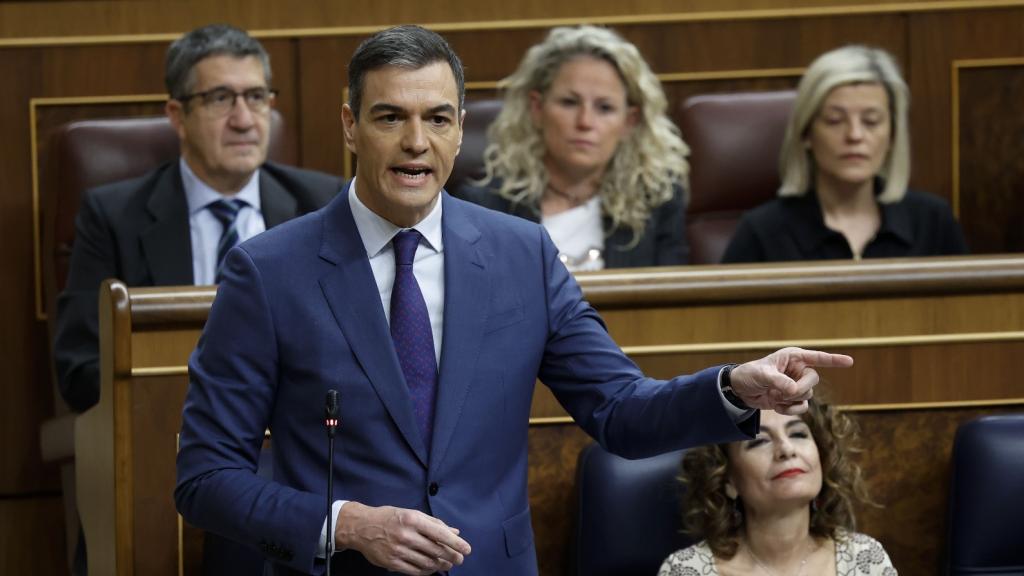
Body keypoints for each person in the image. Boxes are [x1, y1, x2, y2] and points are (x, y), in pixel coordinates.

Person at [174, 25, 853, 576]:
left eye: (437, 118)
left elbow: (618, 409)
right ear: (351, 125)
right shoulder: (267, 271)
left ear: (461, 127)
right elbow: (205, 477)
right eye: (391, 117)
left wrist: (733, 388)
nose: (416, 142)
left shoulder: (519, 254)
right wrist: (347, 524)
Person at [53, 24, 341, 413]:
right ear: (177, 115)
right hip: (168, 430)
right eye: (221, 99)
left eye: (256, 97)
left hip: (297, 431)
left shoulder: (323, 205)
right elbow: (80, 367)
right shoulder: (114, 218)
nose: (244, 120)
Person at [458, 25, 689, 271]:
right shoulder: (482, 206)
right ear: (537, 108)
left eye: (605, 108)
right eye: (569, 102)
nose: (585, 122)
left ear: (629, 122)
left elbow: (674, 302)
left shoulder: (656, 202)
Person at [721, 45, 968, 263]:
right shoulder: (763, 231)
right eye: (835, 120)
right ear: (806, 133)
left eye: (871, 121)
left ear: (892, 135)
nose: (855, 135)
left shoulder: (932, 221)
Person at [658, 400, 897, 575]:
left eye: (798, 434)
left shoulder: (864, 558)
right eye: (760, 441)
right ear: (727, 479)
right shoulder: (686, 570)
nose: (786, 449)